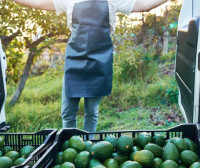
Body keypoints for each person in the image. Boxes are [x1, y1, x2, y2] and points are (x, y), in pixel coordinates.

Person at [12, 0, 170, 133]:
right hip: (75, 59)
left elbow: (144, 5)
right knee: (67, 111)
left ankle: (89, 145)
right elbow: (40, 2)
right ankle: (71, 145)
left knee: (92, 112)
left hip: (100, 61)